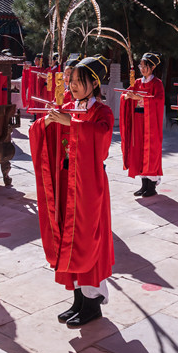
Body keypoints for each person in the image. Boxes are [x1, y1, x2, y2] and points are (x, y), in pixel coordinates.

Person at [29, 56, 115, 327]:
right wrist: (46, 123)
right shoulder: (67, 106)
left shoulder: (102, 112)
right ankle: (78, 299)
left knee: (87, 238)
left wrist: (72, 124)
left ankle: (92, 302)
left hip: (89, 186)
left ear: (94, 83)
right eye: (72, 81)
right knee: (69, 237)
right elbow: (36, 132)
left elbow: (100, 143)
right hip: (66, 181)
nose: (74, 86)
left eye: (80, 82)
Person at [120, 52, 165, 197]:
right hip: (138, 122)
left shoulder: (157, 83)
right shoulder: (137, 82)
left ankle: (151, 186)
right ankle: (143, 184)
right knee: (138, 150)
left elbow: (158, 101)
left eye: (145, 66)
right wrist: (126, 97)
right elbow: (126, 93)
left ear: (152, 68)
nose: (142, 68)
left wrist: (141, 98)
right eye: (141, 66)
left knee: (150, 152)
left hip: (150, 123)